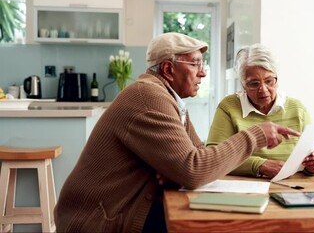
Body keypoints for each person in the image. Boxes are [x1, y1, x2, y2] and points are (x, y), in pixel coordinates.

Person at [54, 33, 300, 233]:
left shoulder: (169, 99)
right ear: (169, 70)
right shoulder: (148, 97)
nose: (203, 73)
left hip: (126, 208)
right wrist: (255, 135)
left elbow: (197, 158)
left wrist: (179, 171)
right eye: (195, 64)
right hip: (99, 221)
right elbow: (195, 169)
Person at [206, 43, 314, 178]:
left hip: (291, 187)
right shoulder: (229, 107)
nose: (263, 89)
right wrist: (259, 165)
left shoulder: (297, 109)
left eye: (269, 81)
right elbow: (213, 158)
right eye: (254, 83)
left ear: (277, 78)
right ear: (243, 84)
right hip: (246, 189)